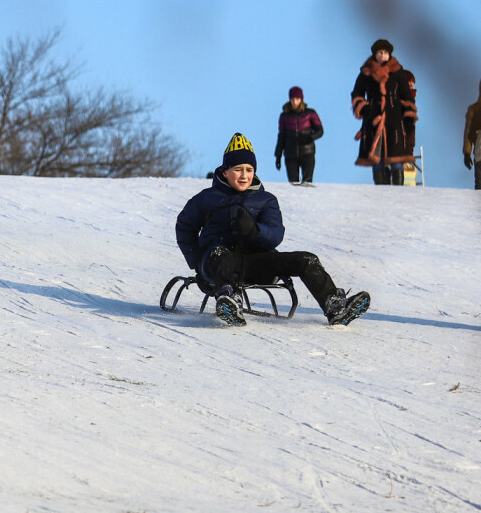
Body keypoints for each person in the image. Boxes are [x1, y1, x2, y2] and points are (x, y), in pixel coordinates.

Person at [175, 133, 371, 327]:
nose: (244, 175)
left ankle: (335, 305)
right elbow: (185, 226)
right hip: (217, 265)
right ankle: (230, 300)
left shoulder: (266, 200)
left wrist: (253, 231)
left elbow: (275, 234)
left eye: (249, 169)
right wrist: (197, 261)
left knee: (306, 259)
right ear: (225, 172)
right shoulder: (206, 198)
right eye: (238, 169)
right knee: (219, 253)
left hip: (256, 262)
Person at [352, 39, 418, 185]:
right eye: (379, 53)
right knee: (377, 157)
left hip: (394, 119)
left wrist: (408, 117)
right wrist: (364, 107)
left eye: (385, 53)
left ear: (389, 55)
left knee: (396, 158)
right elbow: (357, 93)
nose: (382, 56)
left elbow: (406, 95)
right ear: (375, 55)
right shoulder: (366, 72)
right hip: (373, 118)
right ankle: (381, 191)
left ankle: (398, 191)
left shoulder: (397, 72)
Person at [272, 86, 324, 184]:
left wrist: (310, 137)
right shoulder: (284, 116)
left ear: (301, 99)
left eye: (297, 99)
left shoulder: (310, 113)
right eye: (292, 99)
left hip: (307, 152)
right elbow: (281, 137)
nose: (295, 102)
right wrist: (278, 156)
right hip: (290, 154)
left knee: (307, 183)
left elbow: (320, 131)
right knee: (293, 184)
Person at [463, 78, 481, 190]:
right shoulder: (474, 110)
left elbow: (468, 133)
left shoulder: (474, 109)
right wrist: (467, 153)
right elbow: (468, 133)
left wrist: (467, 153)